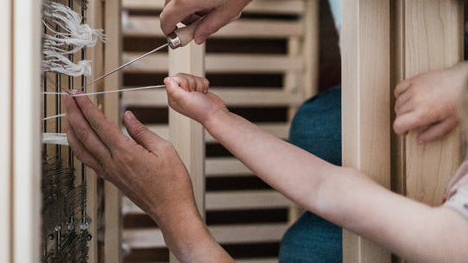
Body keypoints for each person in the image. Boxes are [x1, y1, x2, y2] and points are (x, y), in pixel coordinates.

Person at [63, 73, 468, 263]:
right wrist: (217, 117)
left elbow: (331, 190)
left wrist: (176, 221)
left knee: (303, 253)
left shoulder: (451, 241)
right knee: (315, 130)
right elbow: (329, 187)